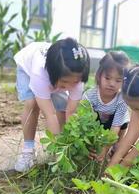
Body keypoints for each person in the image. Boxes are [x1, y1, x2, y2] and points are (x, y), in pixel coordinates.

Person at [13, 38, 90, 172]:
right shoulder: (39, 74)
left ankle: (63, 150)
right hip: (27, 67)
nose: (70, 87)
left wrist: (69, 144)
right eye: (65, 82)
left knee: (62, 105)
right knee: (32, 104)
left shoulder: (77, 78)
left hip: (56, 74)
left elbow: (70, 112)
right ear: (53, 76)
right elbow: (50, 114)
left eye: (75, 82)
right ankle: (28, 150)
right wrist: (58, 147)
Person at [83, 51, 131, 161]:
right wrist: (88, 146)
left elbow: (116, 127)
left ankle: (116, 146)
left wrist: (105, 148)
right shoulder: (89, 96)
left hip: (116, 126)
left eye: (118, 80)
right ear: (99, 76)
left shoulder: (122, 99)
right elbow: (84, 124)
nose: (112, 84)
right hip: (95, 125)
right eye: (107, 78)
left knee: (123, 123)